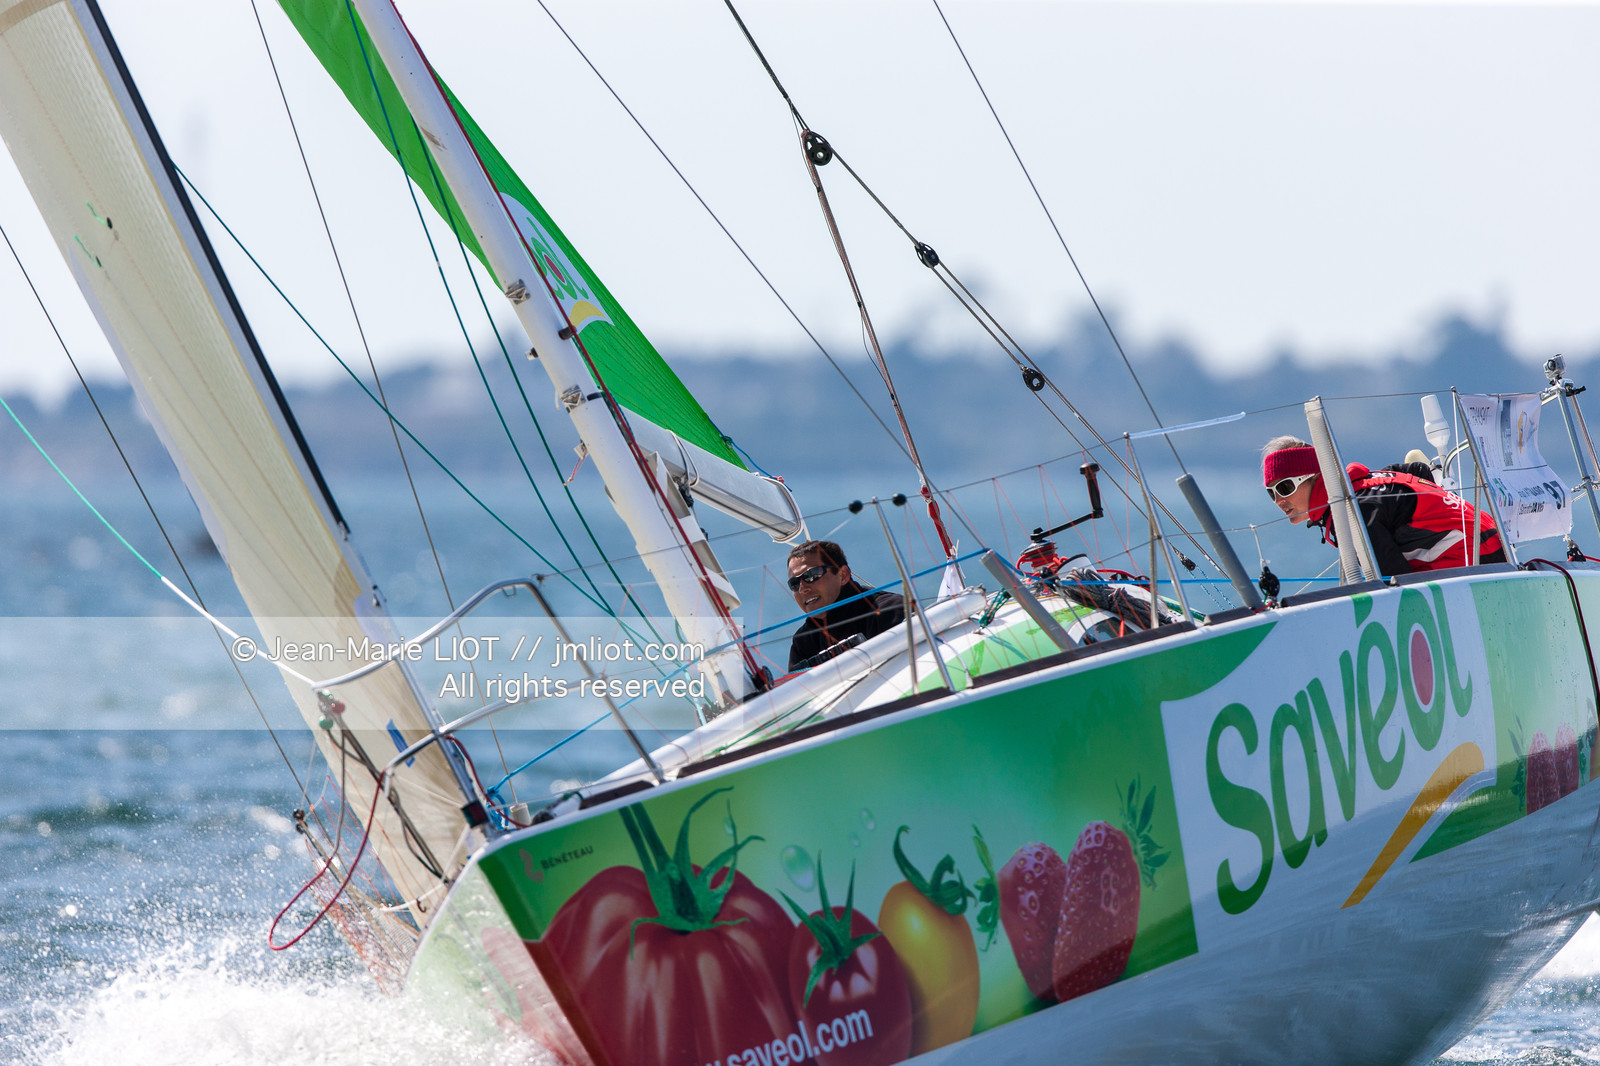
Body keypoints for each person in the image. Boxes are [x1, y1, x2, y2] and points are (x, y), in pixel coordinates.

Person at [1262, 436, 1505, 577]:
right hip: (1496, 546)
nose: (1279, 500)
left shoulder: (1353, 511)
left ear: (1315, 477)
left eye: (1284, 487)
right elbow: (1418, 470)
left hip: (1481, 563)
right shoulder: (1367, 481)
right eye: (1271, 493)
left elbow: (1394, 580)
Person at [785, 540, 905, 672]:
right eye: (794, 583)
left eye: (811, 575)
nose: (802, 589)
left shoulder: (890, 610)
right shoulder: (803, 641)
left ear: (843, 575)